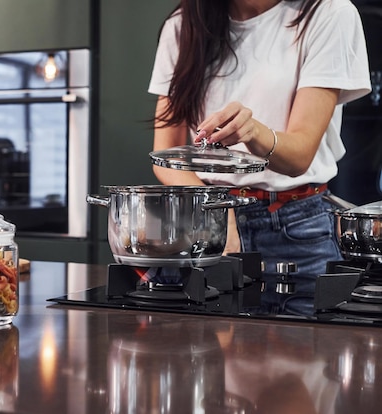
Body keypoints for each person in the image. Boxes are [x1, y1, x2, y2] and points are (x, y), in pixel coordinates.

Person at [148, 0, 372, 284]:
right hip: (200, 223)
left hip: (297, 229)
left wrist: (252, 132)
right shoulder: (185, 23)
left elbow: (299, 156)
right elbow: (165, 158)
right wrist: (215, 208)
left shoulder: (330, 13)